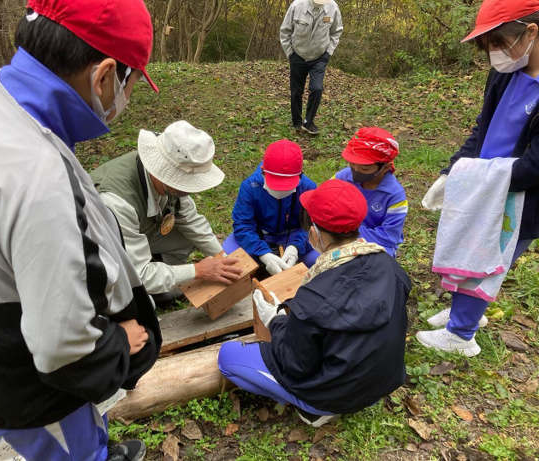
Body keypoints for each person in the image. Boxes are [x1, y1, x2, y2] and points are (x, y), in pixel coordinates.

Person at [0, 1, 163, 460]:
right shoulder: (39, 176)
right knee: (71, 451)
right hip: (22, 388)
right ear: (104, 76)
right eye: (130, 83)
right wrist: (118, 345)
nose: (126, 100)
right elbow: (65, 350)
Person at [218, 180, 411, 427]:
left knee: (228, 357)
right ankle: (349, 397)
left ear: (314, 231)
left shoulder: (314, 295)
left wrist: (274, 321)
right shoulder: (391, 267)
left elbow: (296, 365)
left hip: (334, 393)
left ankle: (315, 408)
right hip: (383, 382)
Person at [419, 0, 539, 357]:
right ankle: (464, 310)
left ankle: (461, 334)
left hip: (522, 198)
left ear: (531, 32)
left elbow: (534, 167)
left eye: (499, 43)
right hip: (484, 184)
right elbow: (482, 131)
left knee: (489, 260)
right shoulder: (505, 73)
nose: (494, 54)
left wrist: (475, 181)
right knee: (469, 248)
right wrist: (453, 170)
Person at [90, 121, 243, 304]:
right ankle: (154, 290)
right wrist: (198, 271)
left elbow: (191, 221)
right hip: (101, 256)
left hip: (138, 237)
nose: (190, 189)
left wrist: (226, 259)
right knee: (141, 305)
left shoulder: (168, 178)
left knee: (188, 237)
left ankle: (164, 278)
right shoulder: (117, 203)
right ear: (164, 171)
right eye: (186, 182)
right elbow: (138, 273)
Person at [223, 139, 319, 274]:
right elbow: (243, 225)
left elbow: (313, 225)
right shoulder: (250, 187)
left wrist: (296, 247)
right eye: (276, 185)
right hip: (260, 234)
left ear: (300, 174)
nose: (280, 192)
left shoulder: (308, 187)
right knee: (229, 252)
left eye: (287, 186)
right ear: (263, 171)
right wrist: (263, 253)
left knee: (318, 259)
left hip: (294, 234)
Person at [334, 127, 407, 257]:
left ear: (386, 167)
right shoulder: (342, 177)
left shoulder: (395, 196)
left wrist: (347, 231)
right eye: (352, 164)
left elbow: (389, 237)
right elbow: (322, 202)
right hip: (339, 238)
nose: (356, 171)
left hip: (375, 245)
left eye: (365, 168)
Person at [280, 0, 343, 135]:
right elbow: (285, 30)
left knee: (317, 88)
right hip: (297, 54)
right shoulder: (297, 6)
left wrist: (328, 53)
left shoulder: (333, 8)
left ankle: (309, 123)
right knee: (296, 91)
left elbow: (336, 32)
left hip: (319, 56)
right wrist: (290, 53)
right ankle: (297, 121)